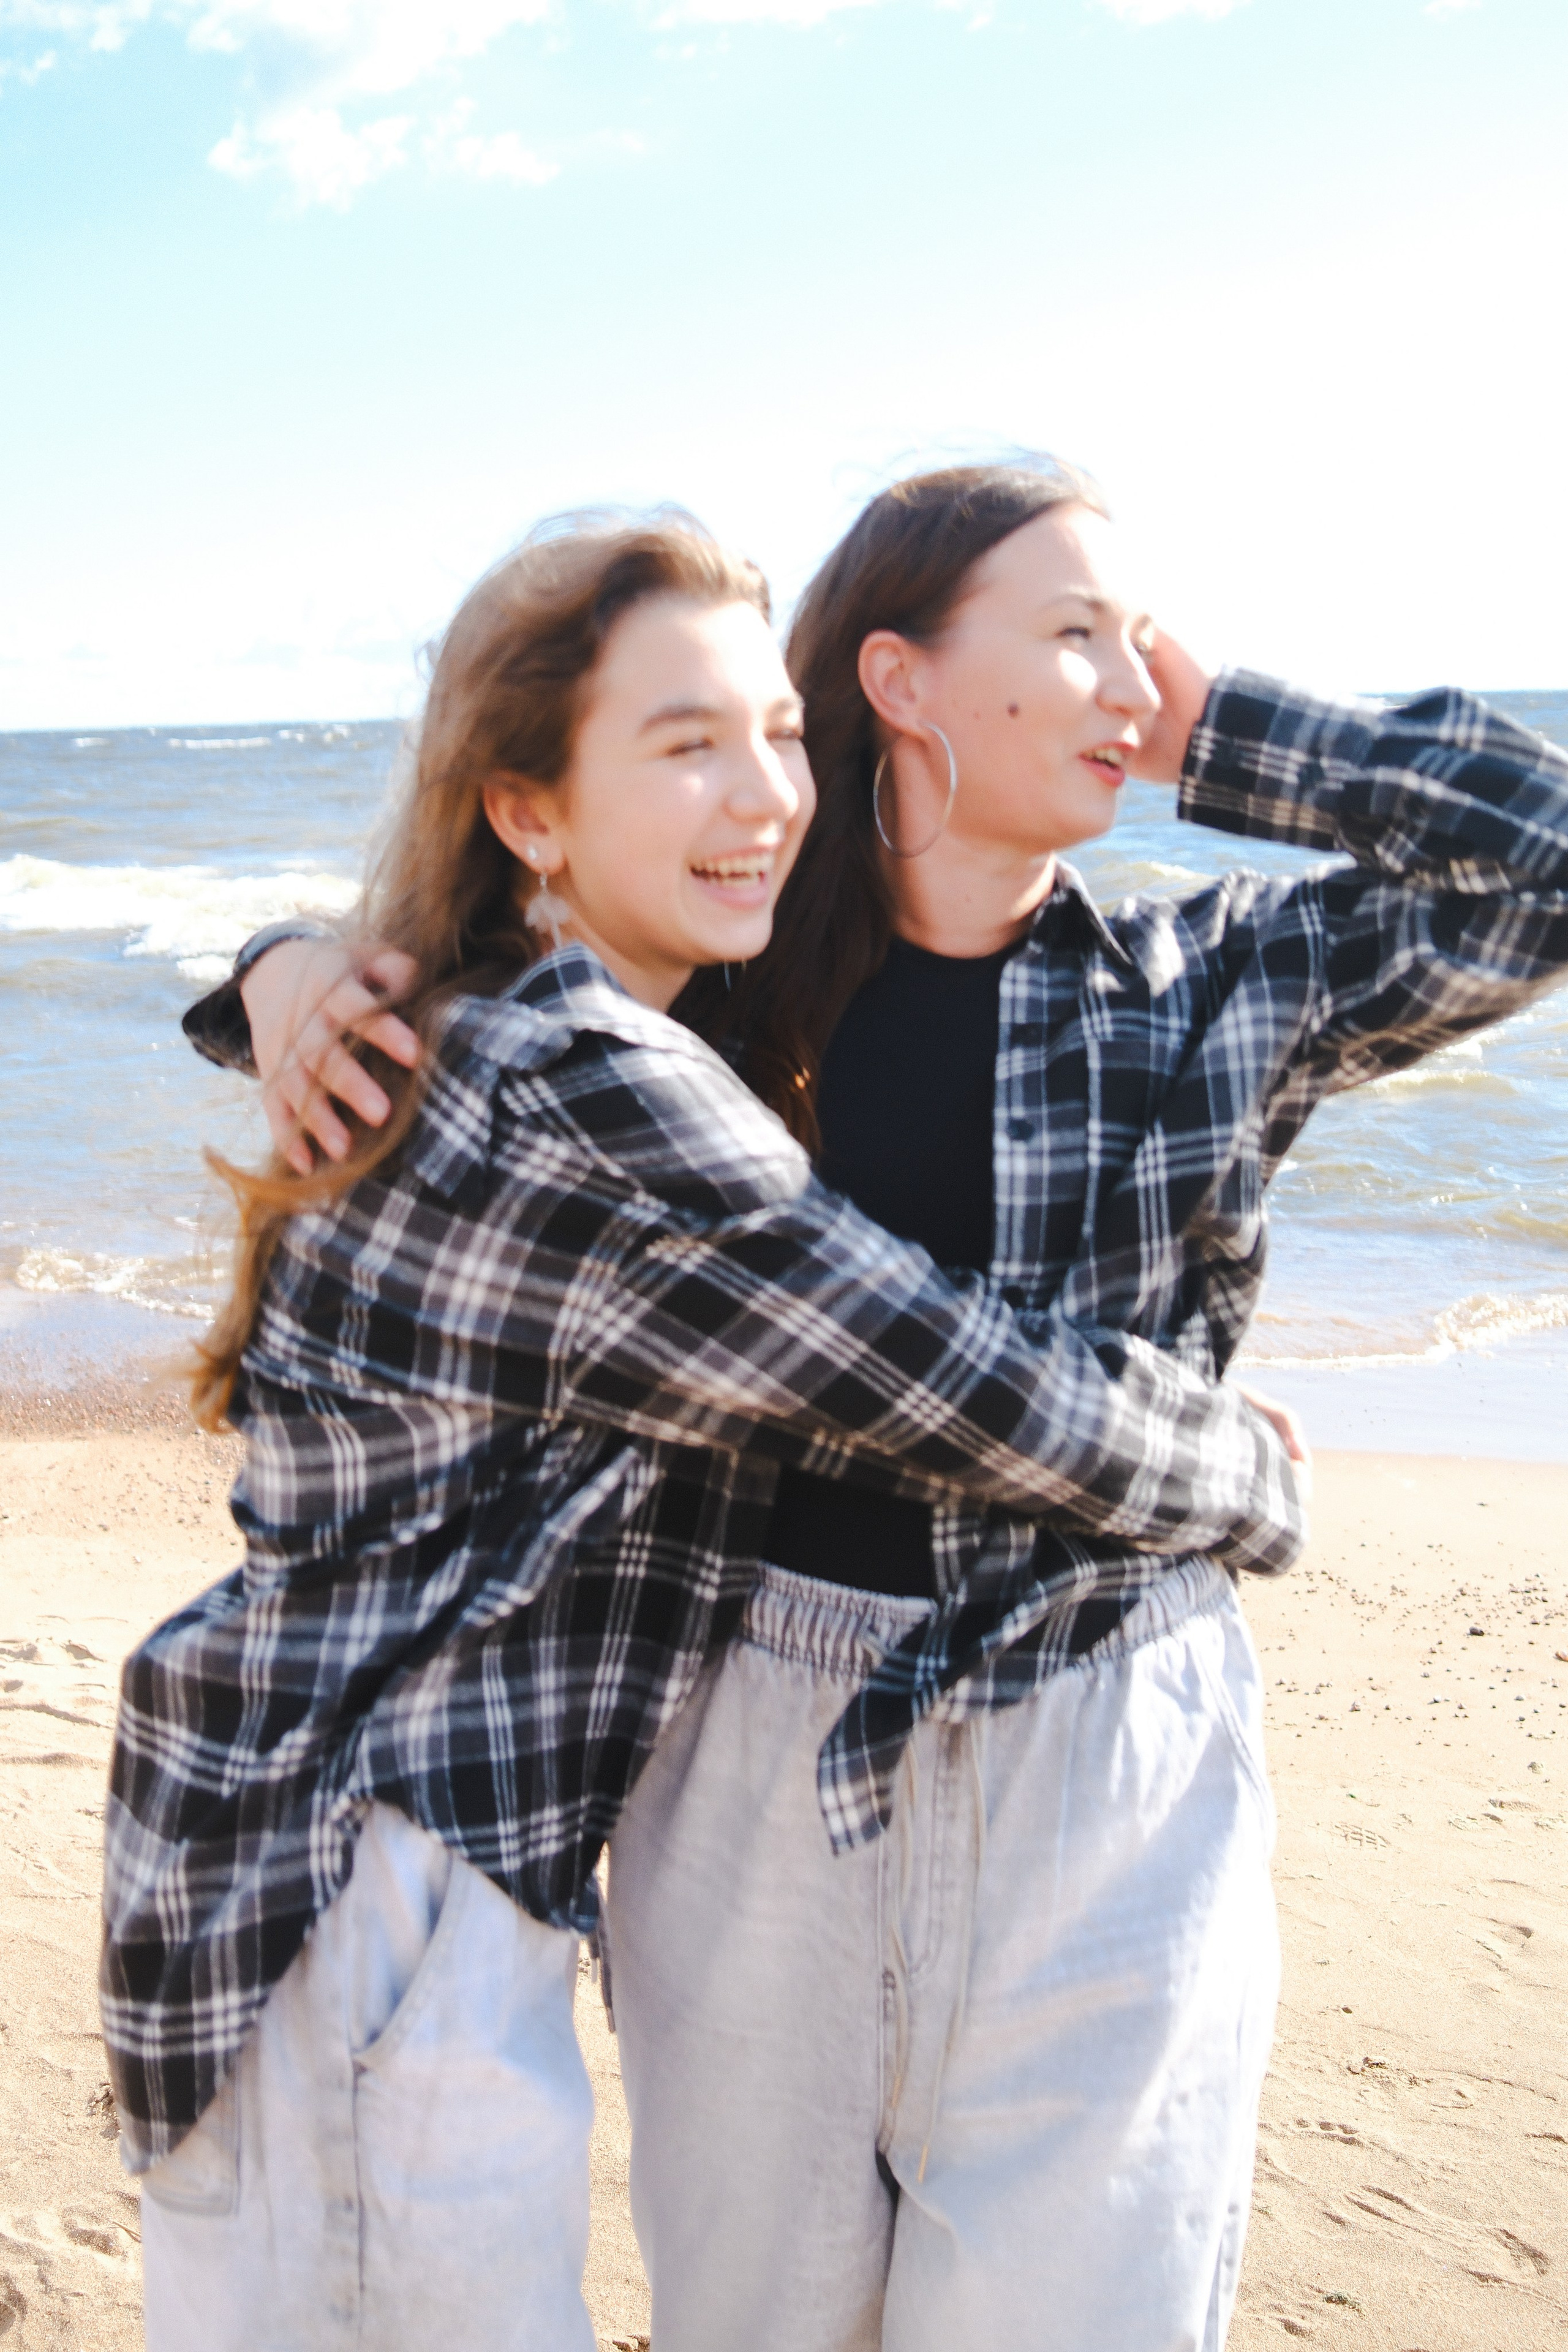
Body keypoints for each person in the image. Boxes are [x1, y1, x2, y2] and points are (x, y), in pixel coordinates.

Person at [236, 462, 1568, 2351]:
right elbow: (475, 990)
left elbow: (1551, 861)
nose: (1133, 674)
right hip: (753, 1732)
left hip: (1108, 1738)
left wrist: (1232, 732)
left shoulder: (1216, 978)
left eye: (1146, 636)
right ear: (903, 681)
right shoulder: (715, 976)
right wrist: (280, 971)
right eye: (1079, 634)